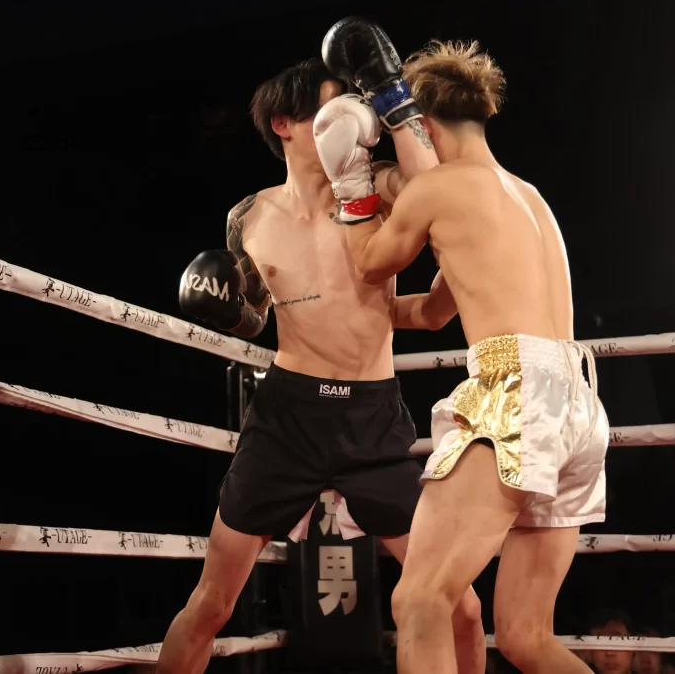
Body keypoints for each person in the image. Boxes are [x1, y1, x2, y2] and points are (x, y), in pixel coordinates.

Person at [158, 56, 486, 674]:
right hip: (286, 419)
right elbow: (257, 316)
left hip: (371, 419)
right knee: (212, 604)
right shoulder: (247, 218)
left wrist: (395, 104)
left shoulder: (380, 189)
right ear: (283, 123)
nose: (350, 119)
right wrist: (230, 314)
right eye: (331, 107)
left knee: (461, 607)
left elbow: (440, 188)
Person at [314, 18, 610, 674]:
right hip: (576, 404)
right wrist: (341, 319)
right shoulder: (529, 197)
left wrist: (352, 183)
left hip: (516, 393)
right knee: (529, 638)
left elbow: (369, 261)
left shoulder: (438, 189)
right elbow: (430, 311)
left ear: (421, 123)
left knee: (420, 599)